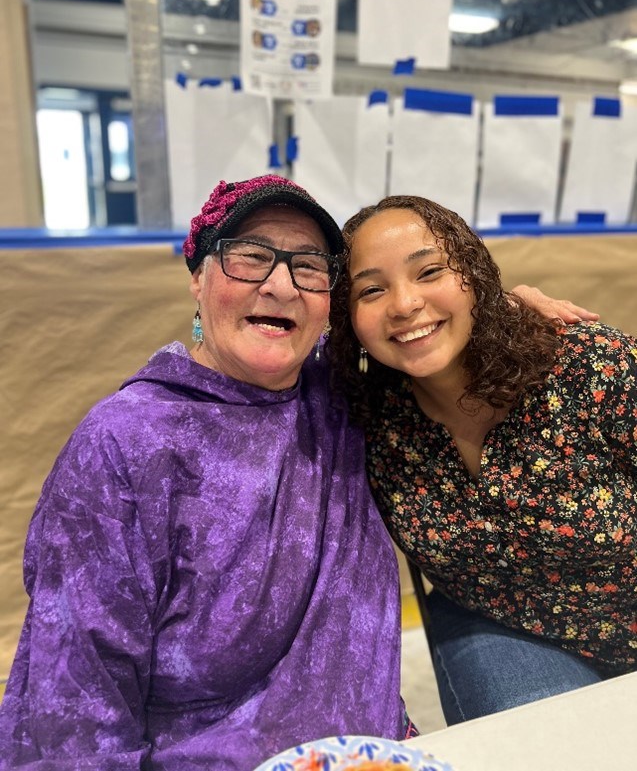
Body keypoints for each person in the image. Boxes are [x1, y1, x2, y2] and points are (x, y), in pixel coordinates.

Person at [0, 176, 410, 770]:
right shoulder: (125, 444)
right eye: (249, 257)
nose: (280, 285)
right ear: (198, 275)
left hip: (378, 754)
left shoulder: (345, 396)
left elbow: (444, 339)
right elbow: (72, 703)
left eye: (309, 266)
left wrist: (515, 308)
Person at [327, 194, 637, 725]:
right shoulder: (363, 412)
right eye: (372, 289)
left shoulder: (590, 367)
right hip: (504, 628)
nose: (403, 304)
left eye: (429, 271)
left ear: (474, 274)